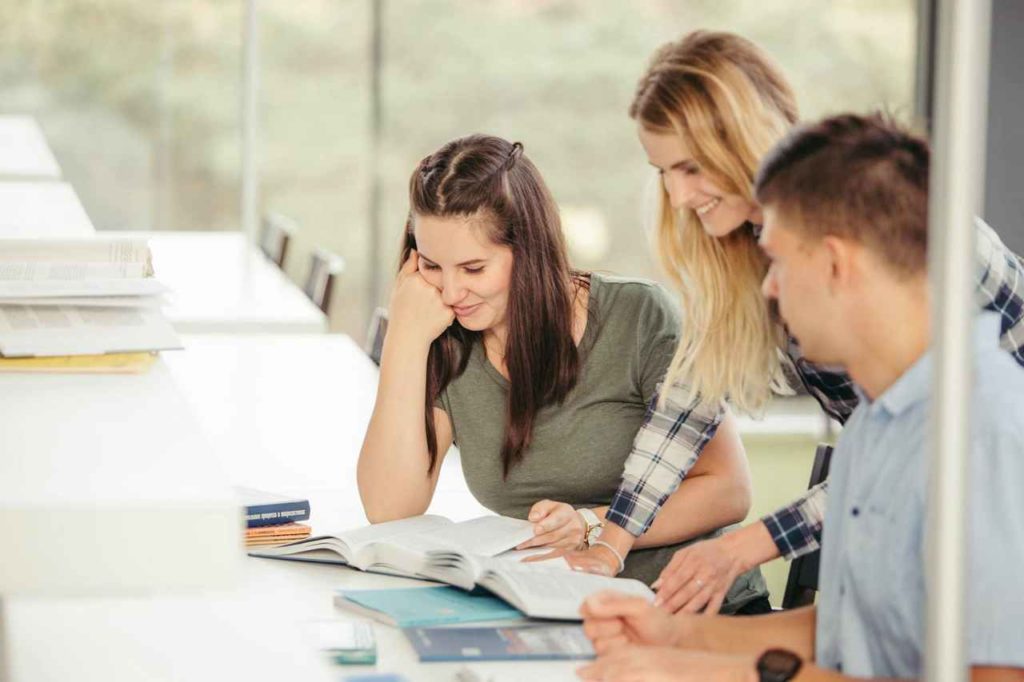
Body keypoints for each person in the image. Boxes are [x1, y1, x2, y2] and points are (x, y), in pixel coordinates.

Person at [570, 31, 1024, 615]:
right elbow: (688, 404)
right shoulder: (745, 245)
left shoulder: (895, 230)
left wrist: (739, 549)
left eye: (690, 167)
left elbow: (925, 454)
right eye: (663, 173)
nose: (678, 197)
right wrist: (610, 542)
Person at [356, 133, 769, 608]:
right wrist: (404, 340)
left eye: (473, 269)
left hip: (687, 605)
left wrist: (592, 523)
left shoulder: (639, 318)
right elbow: (390, 509)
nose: (450, 292)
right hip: (554, 606)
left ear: (528, 252)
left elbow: (729, 489)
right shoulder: (446, 337)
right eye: (431, 265)